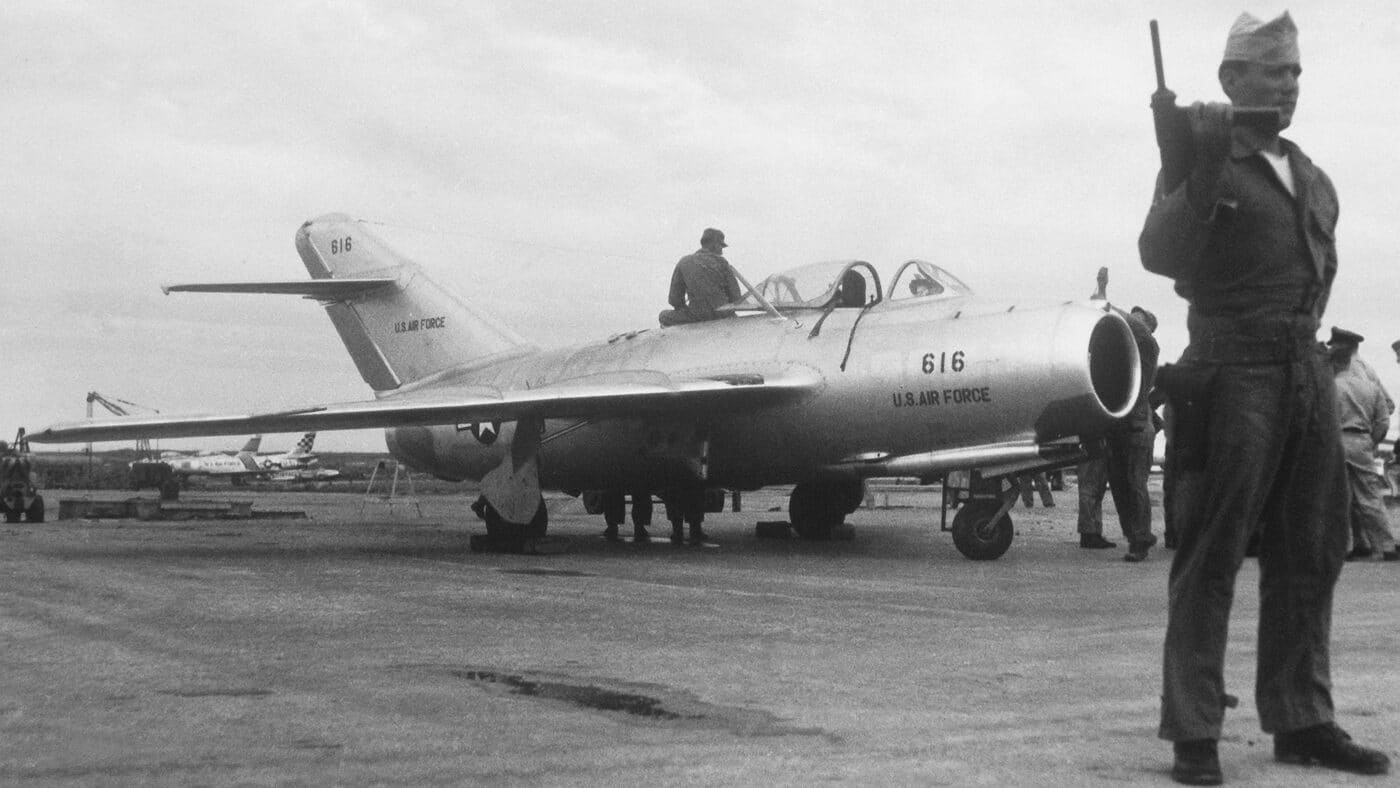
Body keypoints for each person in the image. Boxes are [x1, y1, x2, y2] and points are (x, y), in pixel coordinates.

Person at [1139, 11, 1389, 783]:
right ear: (1231, 79)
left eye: (1296, 72)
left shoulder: (1311, 175)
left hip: (1305, 369)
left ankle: (1301, 717)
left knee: (1313, 548)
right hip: (1231, 365)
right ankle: (1194, 731)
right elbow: (1160, 253)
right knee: (1212, 552)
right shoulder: (1203, 156)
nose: (1290, 85)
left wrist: (1300, 350)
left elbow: (1316, 270)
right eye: (1275, 72)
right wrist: (1203, 167)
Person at [1327, 327, 1397, 561]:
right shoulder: (1370, 379)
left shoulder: (1332, 382)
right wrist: (1370, 440)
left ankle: (1348, 546)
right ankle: (1384, 545)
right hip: (1363, 439)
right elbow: (1385, 414)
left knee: (1341, 496)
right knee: (1370, 495)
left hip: (1337, 439)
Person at [658, 228, 742, 327]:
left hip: (697, 316)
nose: (721, 252)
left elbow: (674, 300)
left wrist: (691, 310)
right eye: (721, 246)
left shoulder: (684, 262)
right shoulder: (722, 262)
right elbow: (736, 297)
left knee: (663, 315)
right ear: (714, 245)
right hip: (723, 315)